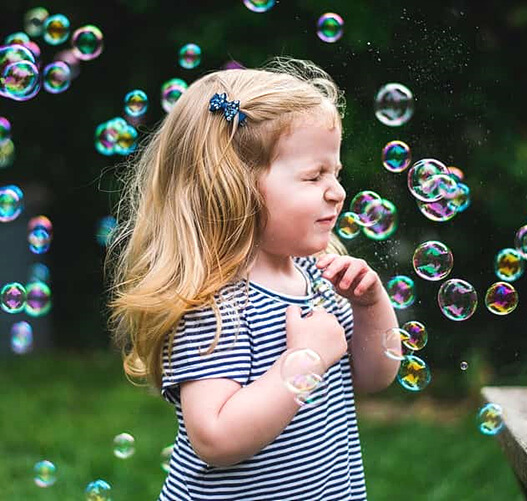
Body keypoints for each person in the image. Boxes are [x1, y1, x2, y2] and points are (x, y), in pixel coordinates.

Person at [106, 58, 402, 500]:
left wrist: (370, 306)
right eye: (313, 175)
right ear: (234, 185)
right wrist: (303, 358)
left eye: (335, 172)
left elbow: (375, 377)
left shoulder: (317, 277)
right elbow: (216, 439)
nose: (337, 190)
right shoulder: (214, 305)